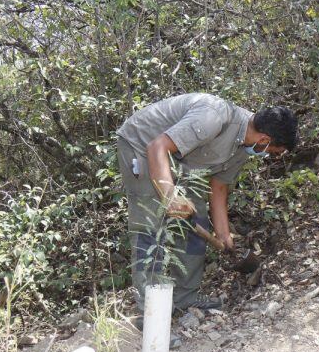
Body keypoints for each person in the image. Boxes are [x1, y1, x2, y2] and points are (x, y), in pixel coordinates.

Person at [117, 93, 297, 314]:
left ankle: (185, 297)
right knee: (151, 225)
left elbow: (219, 187)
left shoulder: (242, 148)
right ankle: (151, 315)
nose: (270, 156)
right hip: (142, 144)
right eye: (274, 152)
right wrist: (169, 196)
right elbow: (157, 148)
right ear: (264, 140)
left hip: (179, 160)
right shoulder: (213, 116)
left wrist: (223, 234)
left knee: (196, 217)